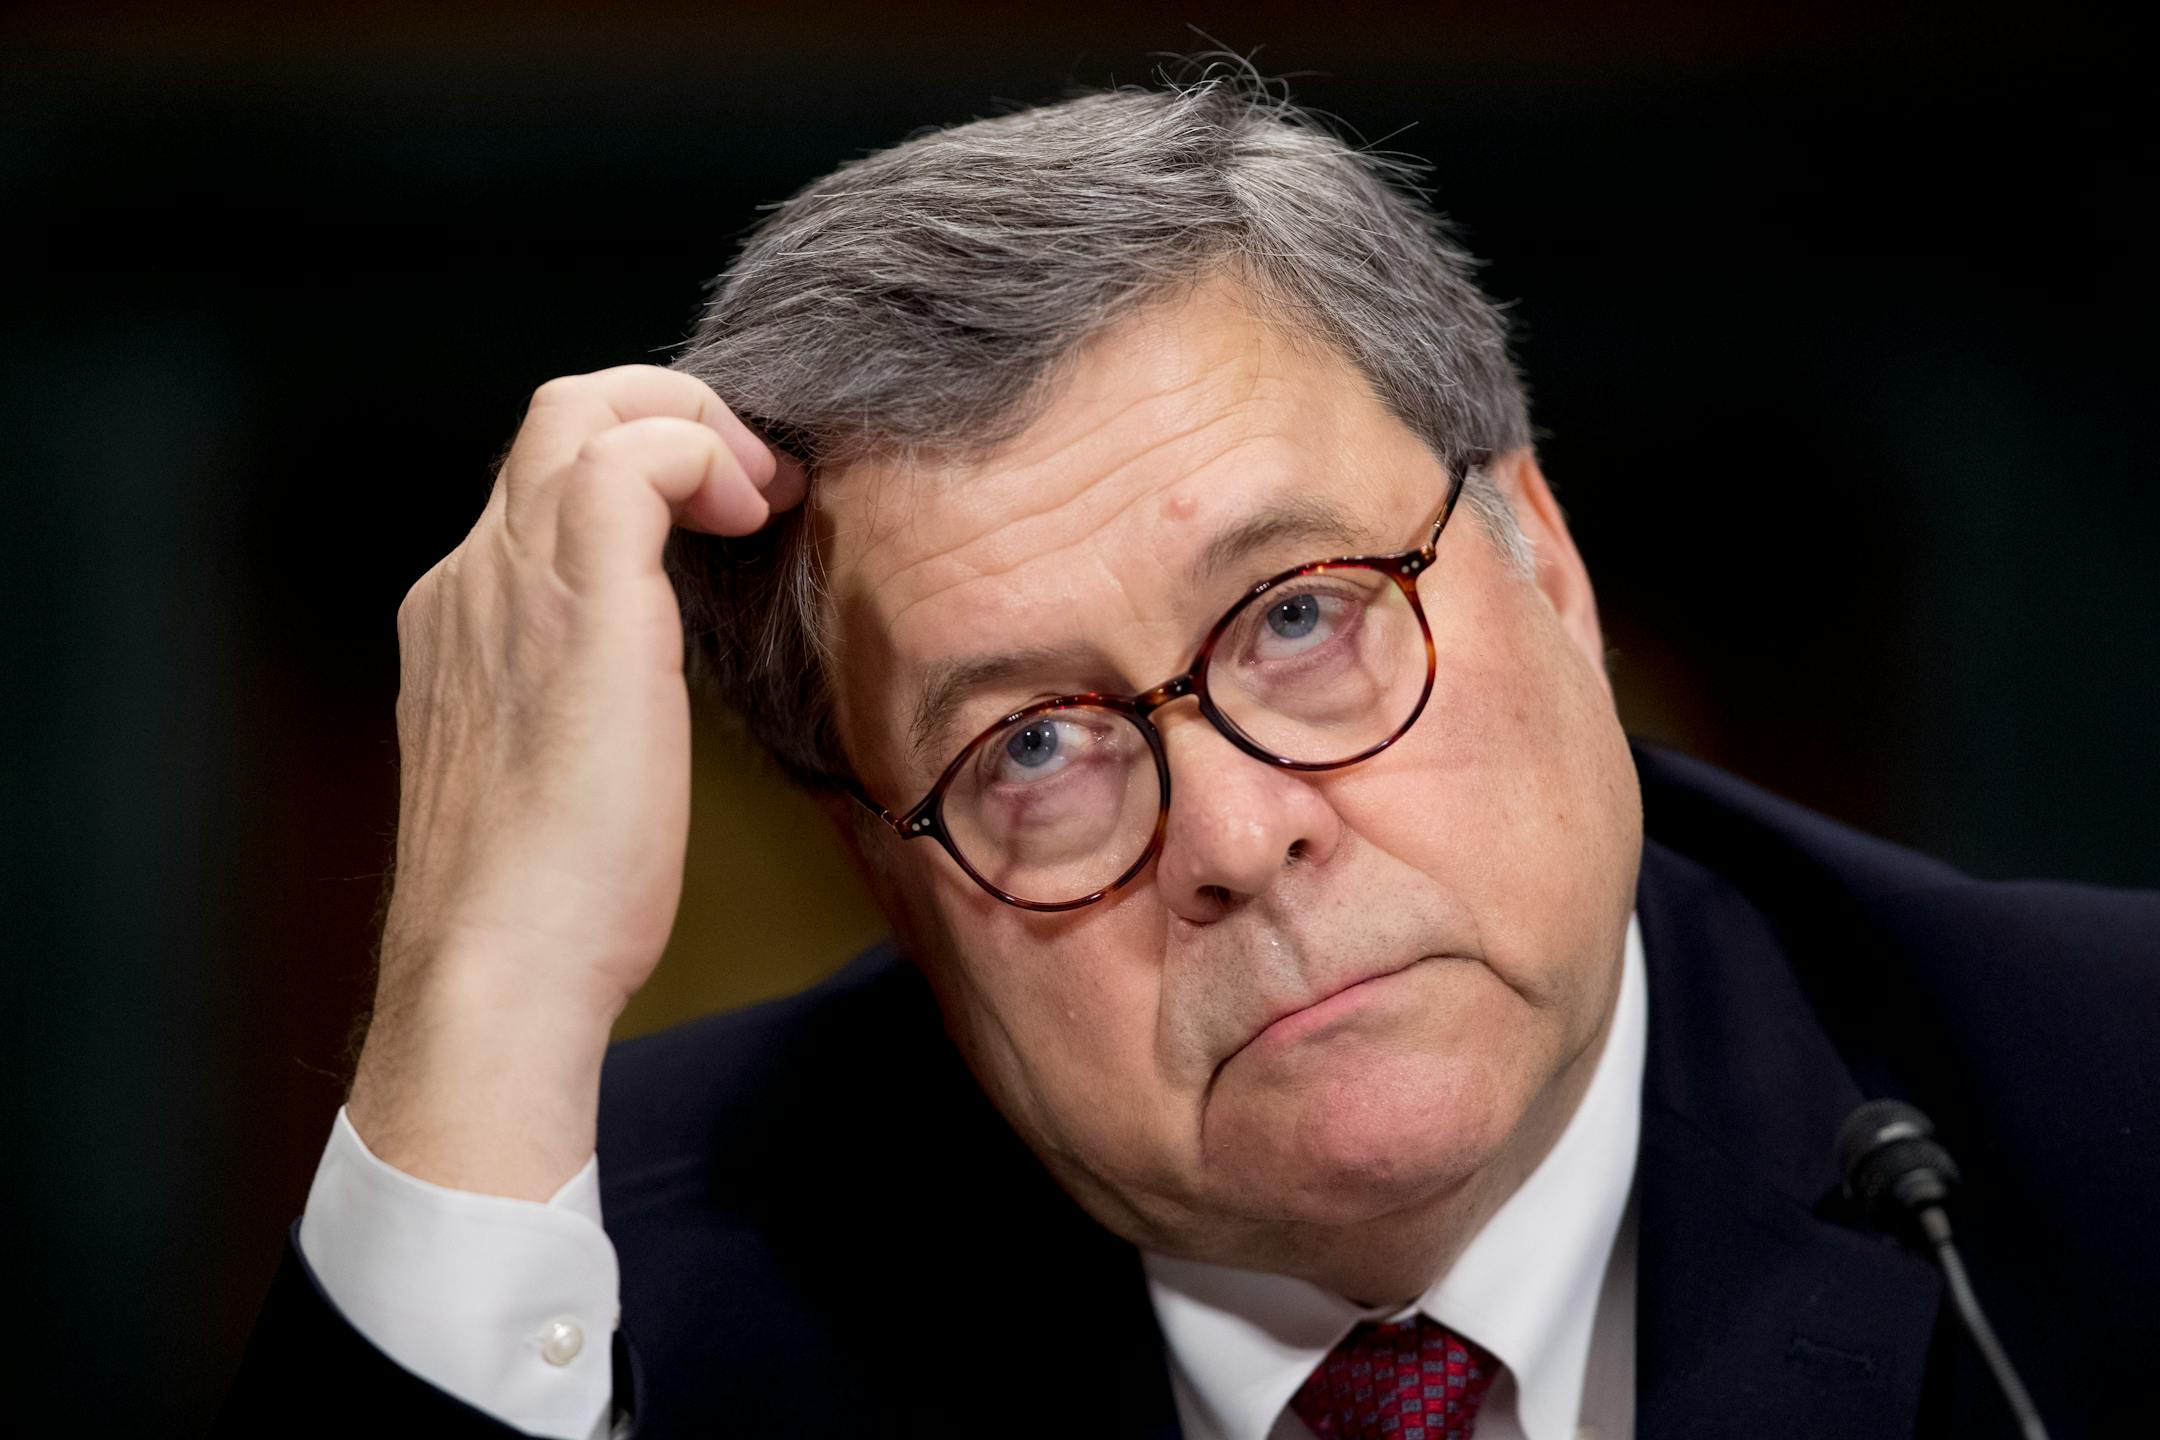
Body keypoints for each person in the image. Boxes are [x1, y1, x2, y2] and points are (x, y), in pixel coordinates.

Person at [221, 73, 2157, 1438]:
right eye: (1035, 744)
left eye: (1301, 616)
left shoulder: (2108, 1105)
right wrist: (484, 986)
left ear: (1544, 564)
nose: (1234, 836)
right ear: (886, 868)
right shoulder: (605, 1299)